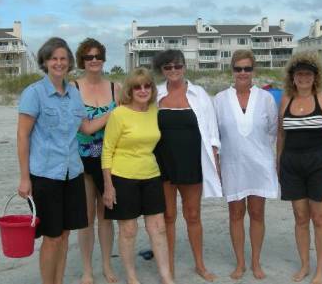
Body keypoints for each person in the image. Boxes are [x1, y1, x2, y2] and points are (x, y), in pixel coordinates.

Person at [17, 37, 110, 284]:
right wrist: (25, 178)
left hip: (73, 173)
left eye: (63, 59)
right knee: (52, 236)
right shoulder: (34, 93)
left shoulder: (73, 94)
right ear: (45, 62)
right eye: (54, 58)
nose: (59, 63)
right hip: (45, 175)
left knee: (66, 234)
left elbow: (87, 128)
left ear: (69, 63)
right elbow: (23, 136)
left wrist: (114, 112)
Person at [153, 50, 222, 282]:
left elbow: (212, 132)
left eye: (177, 66)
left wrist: (216, 161)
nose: (173, 71)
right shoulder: (156, 94)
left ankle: (200, 265)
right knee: (168, 216)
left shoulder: (199, 93)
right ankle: (168, 267)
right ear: (162, 70)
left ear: (184, 67)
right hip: (163, 163)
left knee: (193, 215)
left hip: (193, 162)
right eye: (168, 67)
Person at [101, 67, 174, 284]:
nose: (142, 90)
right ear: (130, 90)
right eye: (137, 87)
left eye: (147, 86)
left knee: (158, 228)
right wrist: (108, 186)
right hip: (122, 177)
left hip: (151, 175)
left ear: (152, 89)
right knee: (129, 230)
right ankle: (132, 277)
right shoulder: (119, 114)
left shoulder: (154, 110)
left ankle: (166, 276)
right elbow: (107, 150)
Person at [277, 52, 322, 284]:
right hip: (291, 165)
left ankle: (320, 271)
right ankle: (304, 265)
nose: (303, 77)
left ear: (315, 77)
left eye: (308, 74)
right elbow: (281, 136)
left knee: (320, 218)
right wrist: (278, 165)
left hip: (320, 164)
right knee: (300, 217)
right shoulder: (285, 100)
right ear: (292, 77)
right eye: (299, 74)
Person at [214, 49, 279, 280]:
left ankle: (255, 262)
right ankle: (240, 263)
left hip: (259, 164)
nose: (243, 73)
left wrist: (258, 150)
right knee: (235, 213)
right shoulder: (220, 99)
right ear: (232, 70)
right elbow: (215, 135)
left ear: (253, 71)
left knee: (257, 213)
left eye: (247, 68)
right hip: (232, 163)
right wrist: (217, 165)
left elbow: (273, 130)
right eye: (238, 68)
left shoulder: (266, 98)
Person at [73, 38, 119, 284]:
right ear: (82, 60)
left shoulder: (115, 87)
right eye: (89, 57)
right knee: (86, 215)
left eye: (98, 56)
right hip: (82, 160)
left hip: (109, 159)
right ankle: (87, 270)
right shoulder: (73, 88)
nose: (94, 61)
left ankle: (107, 265)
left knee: (106, 215)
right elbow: (85, 128)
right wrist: (112, 113)